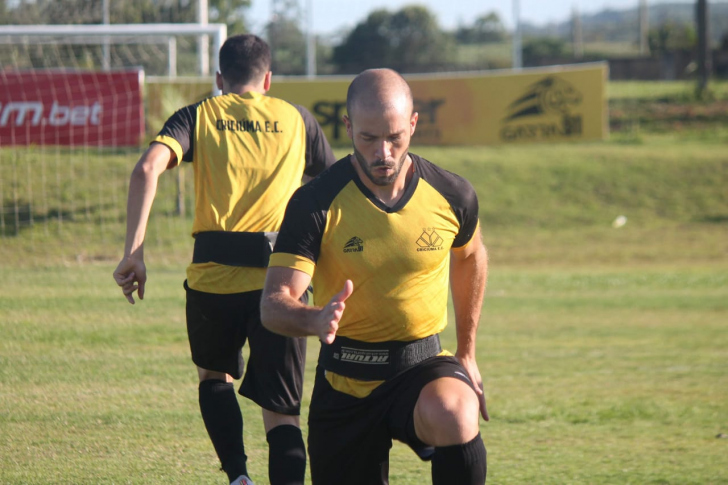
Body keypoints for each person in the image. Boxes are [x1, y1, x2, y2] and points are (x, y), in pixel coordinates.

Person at [113, 34, 336, 485]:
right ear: (268, 79)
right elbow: (333, 188)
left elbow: (145, 169)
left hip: (212, 280)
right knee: (283, 413)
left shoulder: (198, 115)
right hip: (283, 284)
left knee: (214, 377)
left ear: (219, 79)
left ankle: (238, 477)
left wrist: (134, 253)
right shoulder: (298, 120)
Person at [260, 68, 489, 485]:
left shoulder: (452, 195)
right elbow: (273, 305)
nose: (383, 152)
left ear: (414, 124)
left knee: (456, 411)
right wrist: (313, 319)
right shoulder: (315, 203)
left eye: (395, 137)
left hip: (421, 368)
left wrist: (467, 352)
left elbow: (471, 256)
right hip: (346, 379)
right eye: (368, 138)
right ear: (348, 127)